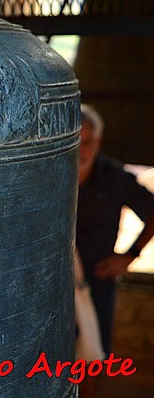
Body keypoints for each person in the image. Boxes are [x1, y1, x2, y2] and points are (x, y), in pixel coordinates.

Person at [76, 105, 154, 354]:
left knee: (95, 355)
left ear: (98, 142)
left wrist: (131, 255)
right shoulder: (49, 173)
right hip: (54, 281)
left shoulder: (114, 177)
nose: (81, 150)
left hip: (98, 279)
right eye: (75, 141)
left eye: (87, 142)